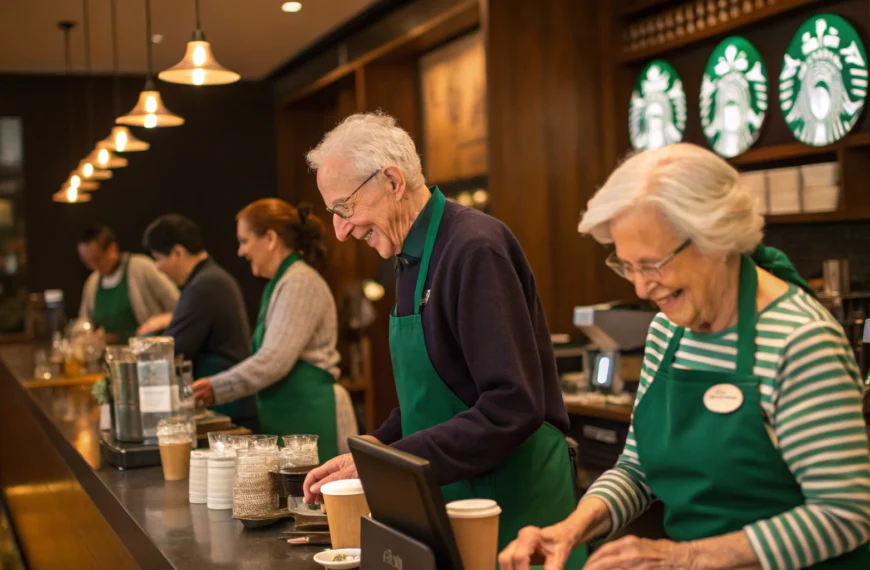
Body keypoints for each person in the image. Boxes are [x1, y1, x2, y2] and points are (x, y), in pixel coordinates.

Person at [499, 143, 870, 570]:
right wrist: (572, 527)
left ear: (718, 239)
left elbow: (845, 514)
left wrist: (689, 556)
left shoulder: (800, 340)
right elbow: (638, 468)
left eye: (652, 264)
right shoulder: (666, 332)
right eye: (626, 266)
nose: (640, 288)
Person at [302, 112, 585, 568]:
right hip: (456, 500)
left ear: (393, 181)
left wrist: (392, 462)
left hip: (511, 509)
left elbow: (512, 404)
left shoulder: (475, 248)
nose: (341, 230)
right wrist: (373, 450)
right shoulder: (409, 257)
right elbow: (434, 400)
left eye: (343, 208)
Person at [191, 199, 357, 462]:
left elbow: (273, 361)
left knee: (314, 501)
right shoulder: (282, 282)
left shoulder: (299, 282)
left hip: (312, 416)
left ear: (270, 238)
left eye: (244, 241)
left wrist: (216, 387)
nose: (240, 252)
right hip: (293, 416)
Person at [139, 214, 258, 431]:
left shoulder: (204, 285)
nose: (157, 267)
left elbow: (172, 348)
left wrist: (140, 344)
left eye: (158, 259)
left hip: (228, 409)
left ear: (177, 252)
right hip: (228, 403)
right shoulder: (210, 278)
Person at [78, 226, 178, 344]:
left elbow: (179, 304)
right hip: (110, 357)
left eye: (98, 259)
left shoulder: (142, 268)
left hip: (148, 353)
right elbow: (84, 323)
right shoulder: (92, 282)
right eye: (88, 263)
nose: (94, 267)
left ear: (112, 248)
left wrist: (161, 320)